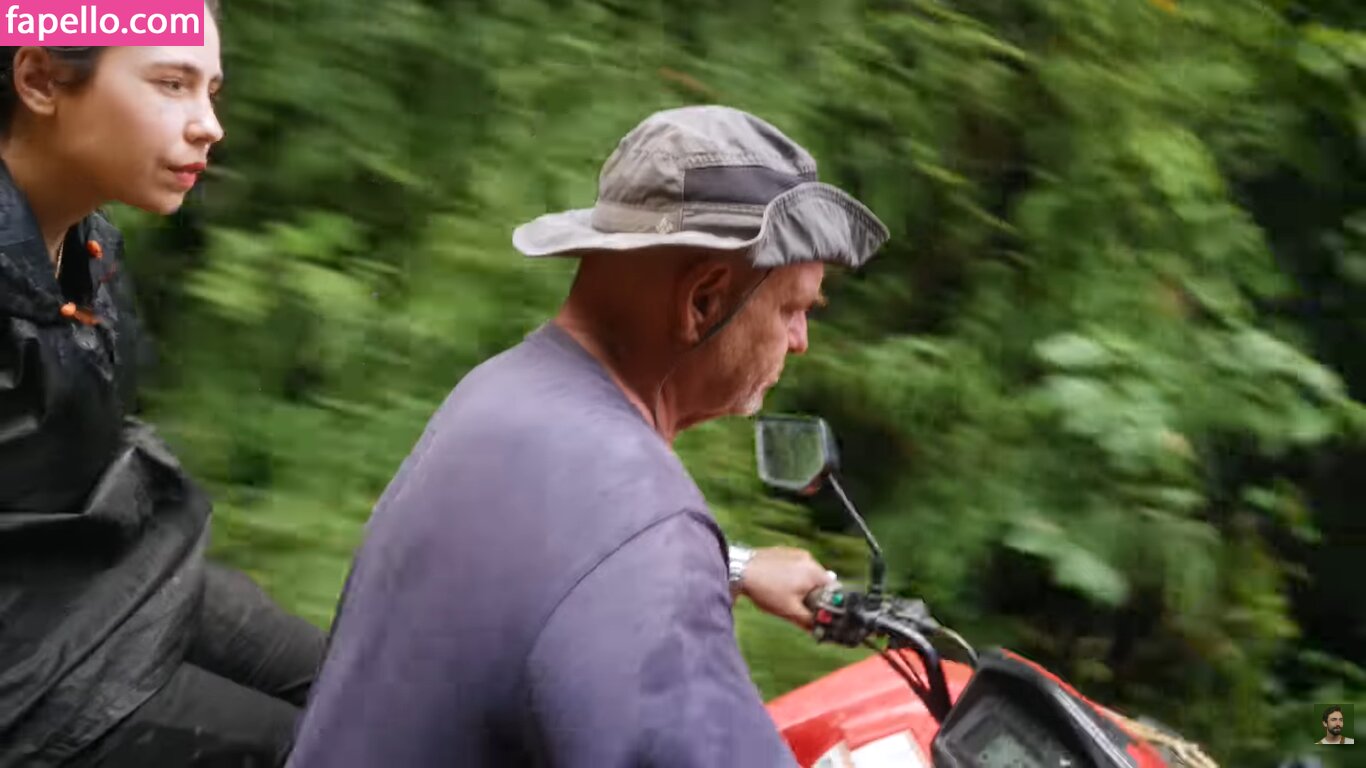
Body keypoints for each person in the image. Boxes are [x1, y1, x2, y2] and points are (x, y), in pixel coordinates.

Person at [287, 105, 890, 767]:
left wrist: (735, 567)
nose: (800, 341)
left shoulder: (501, 395)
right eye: (793, 309)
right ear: (703, 301)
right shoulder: (641, 528)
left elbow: (553, 556)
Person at [0, 20, 328, 768]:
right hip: (30, 674)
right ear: (41, 80)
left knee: (371, 692)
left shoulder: (89, 244)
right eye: (172, 84)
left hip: (123, 576)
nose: (210, 124)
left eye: (211, 91)